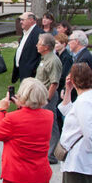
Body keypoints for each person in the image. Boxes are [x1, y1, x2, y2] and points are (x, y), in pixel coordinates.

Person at [34, 32, 63, 162]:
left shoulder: (53, 61)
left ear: (46, 47)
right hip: (40, 96)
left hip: (47, 97)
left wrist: (47, 100)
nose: (36, 45)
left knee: (51, 125)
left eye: (39, 43)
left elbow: (54, 83)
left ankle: (51, 154)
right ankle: (45, 151)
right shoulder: (44, 59)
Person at [12, 12, 42, 84]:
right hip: (22, 69)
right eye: (20, 20)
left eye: (23, 20)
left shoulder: (38, 33)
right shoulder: (25, 32)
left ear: (31, 20)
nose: (20, 22)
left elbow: (41, 53)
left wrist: (33, 68)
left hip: (31, 72)